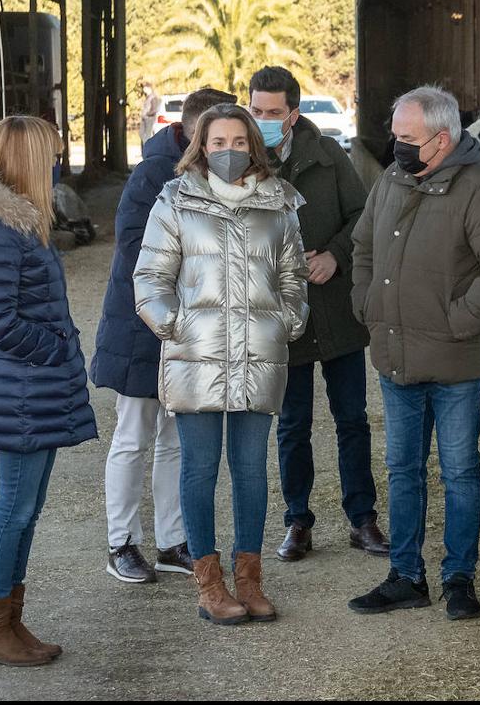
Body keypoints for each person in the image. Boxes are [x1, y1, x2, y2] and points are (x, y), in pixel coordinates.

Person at [347, 86, 480, 621]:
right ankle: (406, 575)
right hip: (396, 354)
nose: (397, 146)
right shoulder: (391, 181)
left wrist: (459, 321)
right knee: (403, 468)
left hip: (456, 364)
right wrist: (367, 303)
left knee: (460, 470)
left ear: (442, 139)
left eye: (408, 138)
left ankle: (458, 578)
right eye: (396, 136)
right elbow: (362, 246)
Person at [133, 103, 308, 625]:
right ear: (200, 147)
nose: (227, 152)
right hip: (197, 356)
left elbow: (294, 277)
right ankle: (210, 587)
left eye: (237, 142)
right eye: (217, 143)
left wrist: (287, 322)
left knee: (252, 469)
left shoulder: (280, 204)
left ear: (253, 145)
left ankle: (250, 580)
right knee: (200, 468)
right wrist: (177, 326)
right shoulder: (175, 200)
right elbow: (150, 279)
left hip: (259, 355)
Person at [0, 116, 98, 666]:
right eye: (52, 155)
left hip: (32, 391)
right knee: (14, 508)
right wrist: (57, 348)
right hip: (19, 392)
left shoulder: (22, 222)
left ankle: (10, 622)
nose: (58, 162)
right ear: (29, 160)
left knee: (26, 508)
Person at [91, 87, 237, 584]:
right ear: (194, 133)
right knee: (133, 435)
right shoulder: (153, 172)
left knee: (175, 438)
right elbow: (134, 245)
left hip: (189, 329)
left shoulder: (214, 172)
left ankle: (171, 541)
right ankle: (121, 543)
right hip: (141, 328)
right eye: (216, 138)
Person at [247, 66, 387, 562]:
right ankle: (298, 521)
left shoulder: (327, 156)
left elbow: (363, 216)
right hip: (283, 318)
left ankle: (362, 518)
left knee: (351, 417)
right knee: (293, 423)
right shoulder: (239, 165)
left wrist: (334, 255)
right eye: (256, 111)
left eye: (273, 112)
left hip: (337, 311)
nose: (263, 120)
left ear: (294, 113)